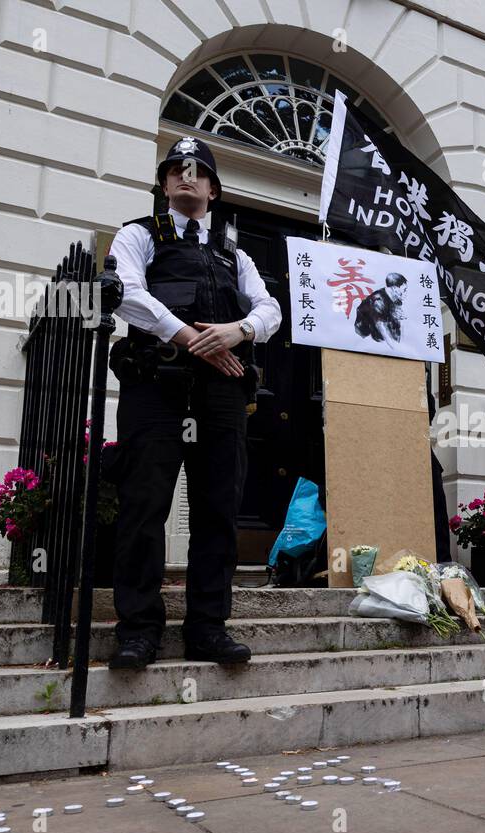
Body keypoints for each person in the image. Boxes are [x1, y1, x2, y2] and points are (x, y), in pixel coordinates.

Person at [105, 135, 282, 670]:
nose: (187, 177)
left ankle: (208, 628)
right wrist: (188, 337)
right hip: (155, 388)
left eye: (197, 170)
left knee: (218, 512)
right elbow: (127, 293)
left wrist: (237, 330)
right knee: (143, 508)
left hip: (222, 395)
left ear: (213, 188)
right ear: (164, 183)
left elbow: (270, 309)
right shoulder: (137, 234)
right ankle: (138, 630)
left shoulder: (236, 251)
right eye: (176, 170)